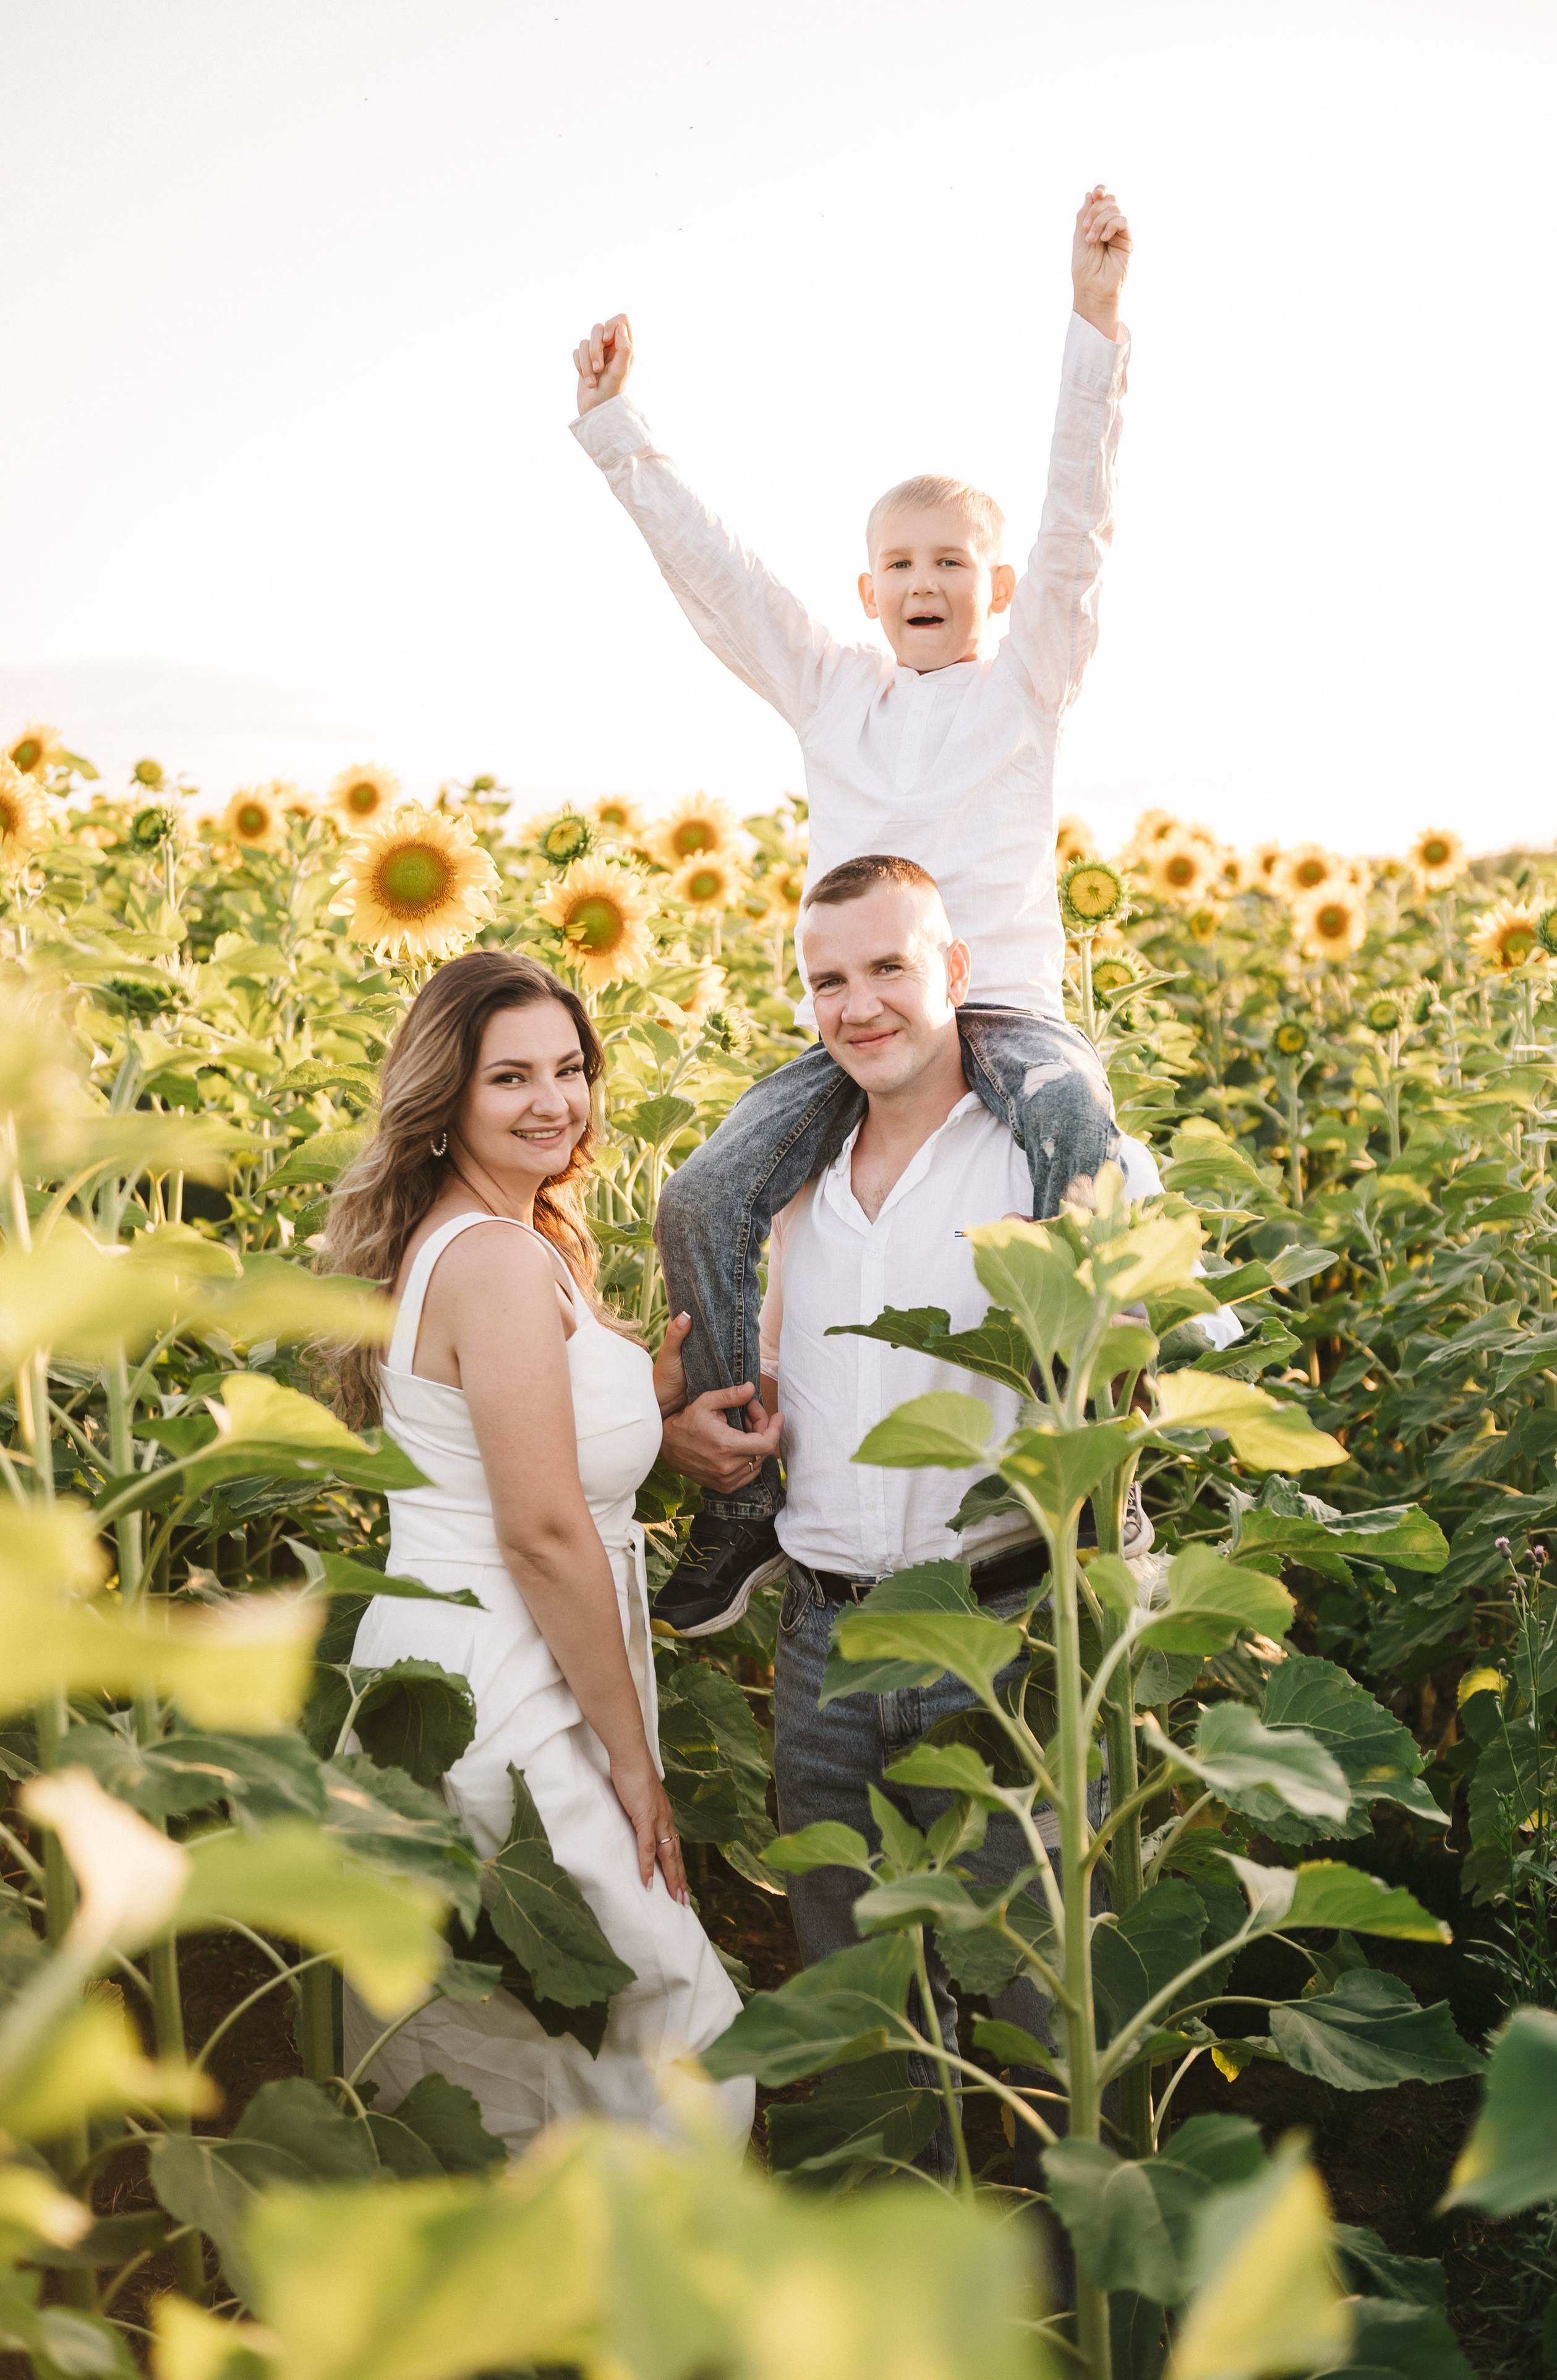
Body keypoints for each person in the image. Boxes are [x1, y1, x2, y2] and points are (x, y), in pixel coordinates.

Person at [571, 187, 1135, 1633]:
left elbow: (1077, 525)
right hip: (853, 1028)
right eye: (899, 562)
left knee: (1079, 1125)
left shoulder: (1025, 685)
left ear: (993, 588)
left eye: (951, 560)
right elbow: (726, 585)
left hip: (994, 1011)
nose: (925, 580)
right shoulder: (830, 689)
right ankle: (747, 1504)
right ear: (867, 592)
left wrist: (1095, 327)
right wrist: (618, 431)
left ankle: (1089, 1475)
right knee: (701, 1191)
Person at [318, 948, 753, 2154]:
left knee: (526, 2021)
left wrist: (651, 1417)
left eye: (569, 1068)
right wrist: (632, 1763)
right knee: (668, 2008)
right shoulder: (500, 1261)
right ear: (445, 1096)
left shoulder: (489, 1238)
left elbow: (521, 1445)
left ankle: (549, 2283)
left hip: (452, 1655)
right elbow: (544, 1529)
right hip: (514, 1677)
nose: (553, 1100)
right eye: (509, 1076)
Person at [751, 854, 1114, 2183]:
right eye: (826, 979)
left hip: (998, 1629)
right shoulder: (796, 1176)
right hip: (828, 1646)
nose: (857, 1004)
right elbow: (780, 1375)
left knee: (1030, 2016)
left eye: (887, 966)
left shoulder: (1053, 1149)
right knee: (862, 2028)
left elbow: (1130, 1346)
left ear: (955, 972)